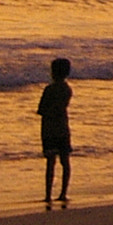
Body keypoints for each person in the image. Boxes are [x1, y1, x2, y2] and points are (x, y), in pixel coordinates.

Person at [37, 57, 72, 204]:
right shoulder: (67, 89)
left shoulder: (49, 89)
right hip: (63, 127)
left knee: (50, 163)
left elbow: (41, 109)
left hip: (49, 128)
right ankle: (63, 193)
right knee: (65, 161)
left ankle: (48, 194)